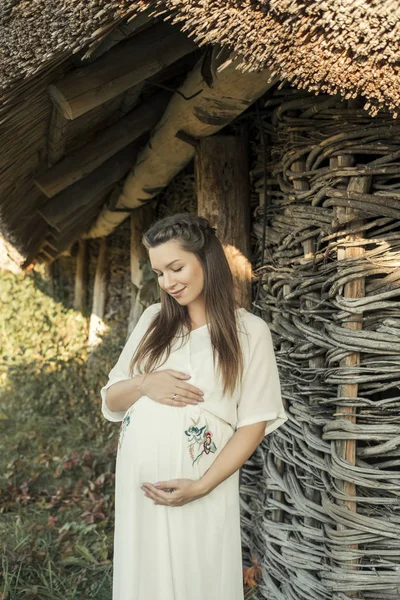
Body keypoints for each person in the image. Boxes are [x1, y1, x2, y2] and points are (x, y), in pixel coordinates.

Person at [100, 212, 288, 600]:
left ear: (207, 260)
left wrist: (201, 485)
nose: (167, 282)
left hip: (203, 485)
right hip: (141, 488)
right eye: (158, 273)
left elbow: (253, 425)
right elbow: (111, 398)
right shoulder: (154, 320)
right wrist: (144, 383)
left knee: (197, 578)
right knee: (145, 580)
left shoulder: (249, 332)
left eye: (176, 267)